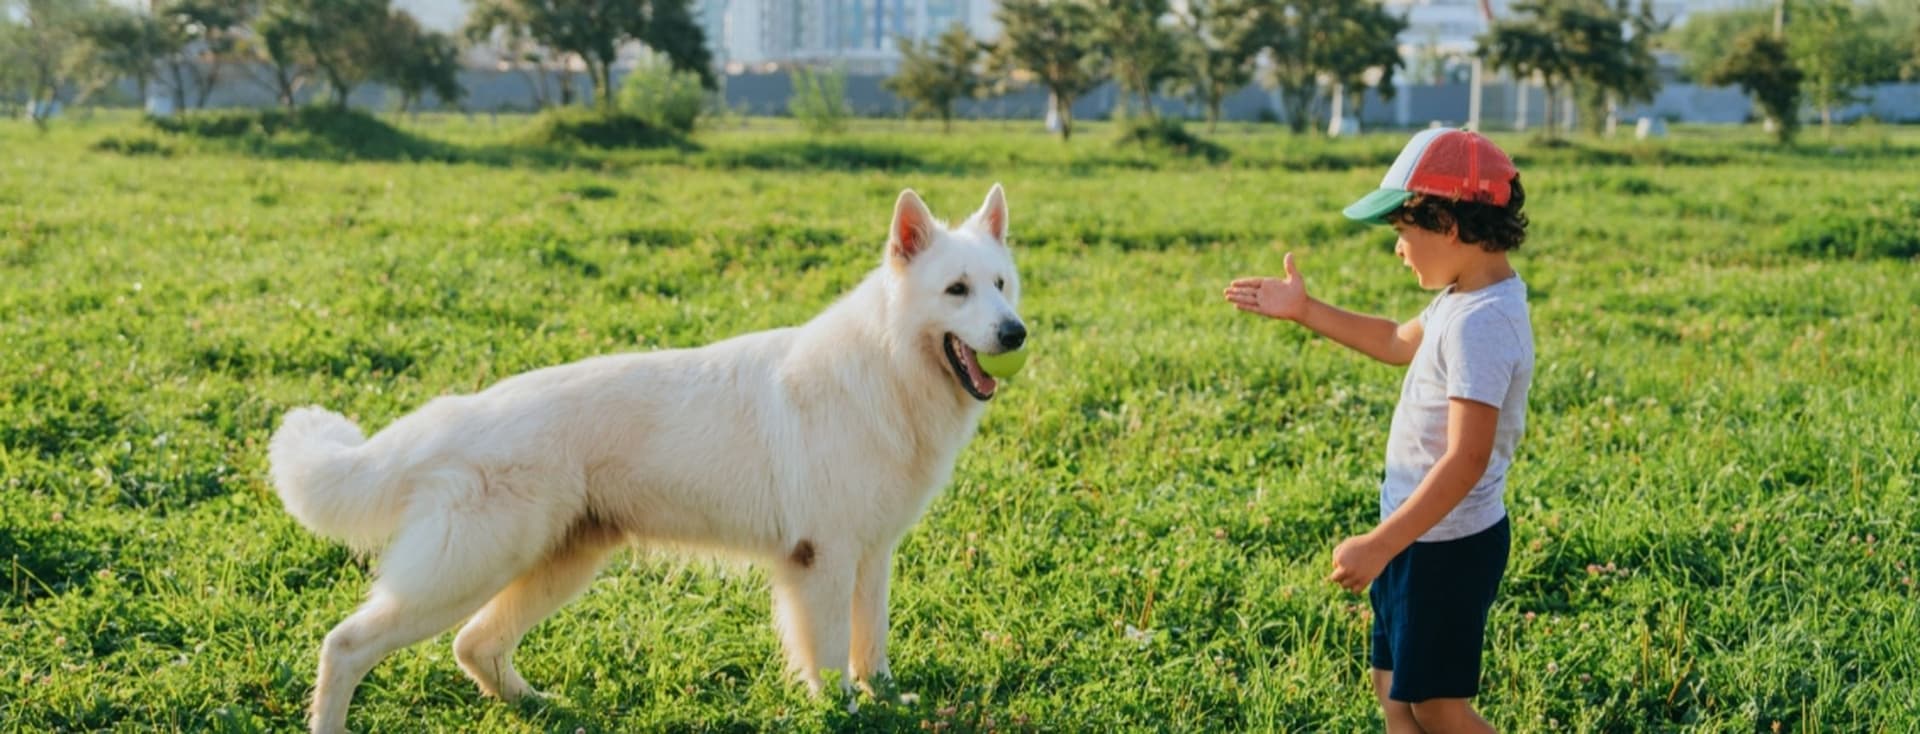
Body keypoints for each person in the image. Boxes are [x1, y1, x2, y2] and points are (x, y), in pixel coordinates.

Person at [1223, 128, 1534, 733]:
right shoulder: (1461, 297)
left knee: (1436, 707)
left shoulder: (1483, 323)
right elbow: (1395, 342)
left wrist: (1383, 542)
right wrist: (1306, 310)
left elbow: (1467, 459)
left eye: (1401, 232)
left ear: (1446, 223)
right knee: (1393, 691)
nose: (1398, 250)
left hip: (1445, 546)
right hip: (1414, 534)